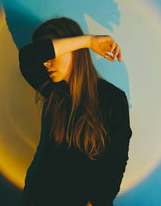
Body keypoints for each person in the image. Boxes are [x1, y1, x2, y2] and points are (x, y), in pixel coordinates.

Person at [18, 17, 132, 206]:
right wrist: (88, 41)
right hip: (40, 198)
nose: (46, 64)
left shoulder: (112, 99)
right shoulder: (53, 91)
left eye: (52, 55)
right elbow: (28, 57)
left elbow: (116, 163)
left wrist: (97, 202)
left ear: (76, 53)